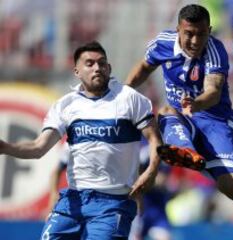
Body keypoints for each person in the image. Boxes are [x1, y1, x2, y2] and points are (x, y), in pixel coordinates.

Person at [0, 41, 163, 240]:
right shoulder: (65, 105)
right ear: (76, 71)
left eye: (102, 63)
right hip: (73, 199)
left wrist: (152, 172)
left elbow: (155, 140)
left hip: (113, 203)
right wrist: (5, 147)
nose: (97, 68)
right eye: (90, 63)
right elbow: (38, 147)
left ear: (109, 68)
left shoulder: (129, 99)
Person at [126, 4, 233, 234]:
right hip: (179, 115)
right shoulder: (162, 43)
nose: (194, 40)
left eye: (200, 34)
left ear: (209, 31)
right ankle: (186, 152)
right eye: (188, 34)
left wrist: (196, 103)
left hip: (214, 120)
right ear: (178, 29)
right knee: (165, 112)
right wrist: (124, 91)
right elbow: (144, 67)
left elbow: (214, 90)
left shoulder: (215, 50)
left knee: (230, 185)